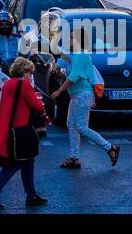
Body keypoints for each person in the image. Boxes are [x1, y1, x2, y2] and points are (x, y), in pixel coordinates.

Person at [0, 56, 49, 209]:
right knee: (17, 163)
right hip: (21, 130)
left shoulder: (8, 84)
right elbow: (36, 106)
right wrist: (40, 101)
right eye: (30, 72)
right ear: (24, 71)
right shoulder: (23, 84)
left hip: (9, 129)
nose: (31, 75)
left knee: (28, 161)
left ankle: (31, 195)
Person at [51, 26, 120, 169]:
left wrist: (58, 91)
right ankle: (74, 158)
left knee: (81, 127)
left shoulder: (82, 55)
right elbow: (71, 71)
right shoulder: (77, 56)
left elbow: (73, 78)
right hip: (76, 95)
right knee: (72, 126)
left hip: (82, 95)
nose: (69, 40)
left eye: (71, 37)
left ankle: (110, 148)